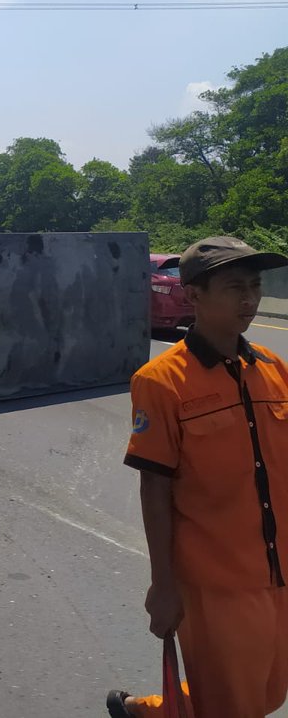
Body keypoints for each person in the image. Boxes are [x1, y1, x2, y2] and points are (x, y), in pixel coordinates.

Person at [108, 236, 288, 718]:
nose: (249, 300)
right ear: (194, 296)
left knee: (269, 691)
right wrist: (162, 584)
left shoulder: (273, 369)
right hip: (215, 581)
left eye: (254, 286)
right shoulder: (161, 381)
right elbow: (155, 487)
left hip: (278, 569)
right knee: (239, 701)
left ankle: (152, 712)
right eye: (234, 288)